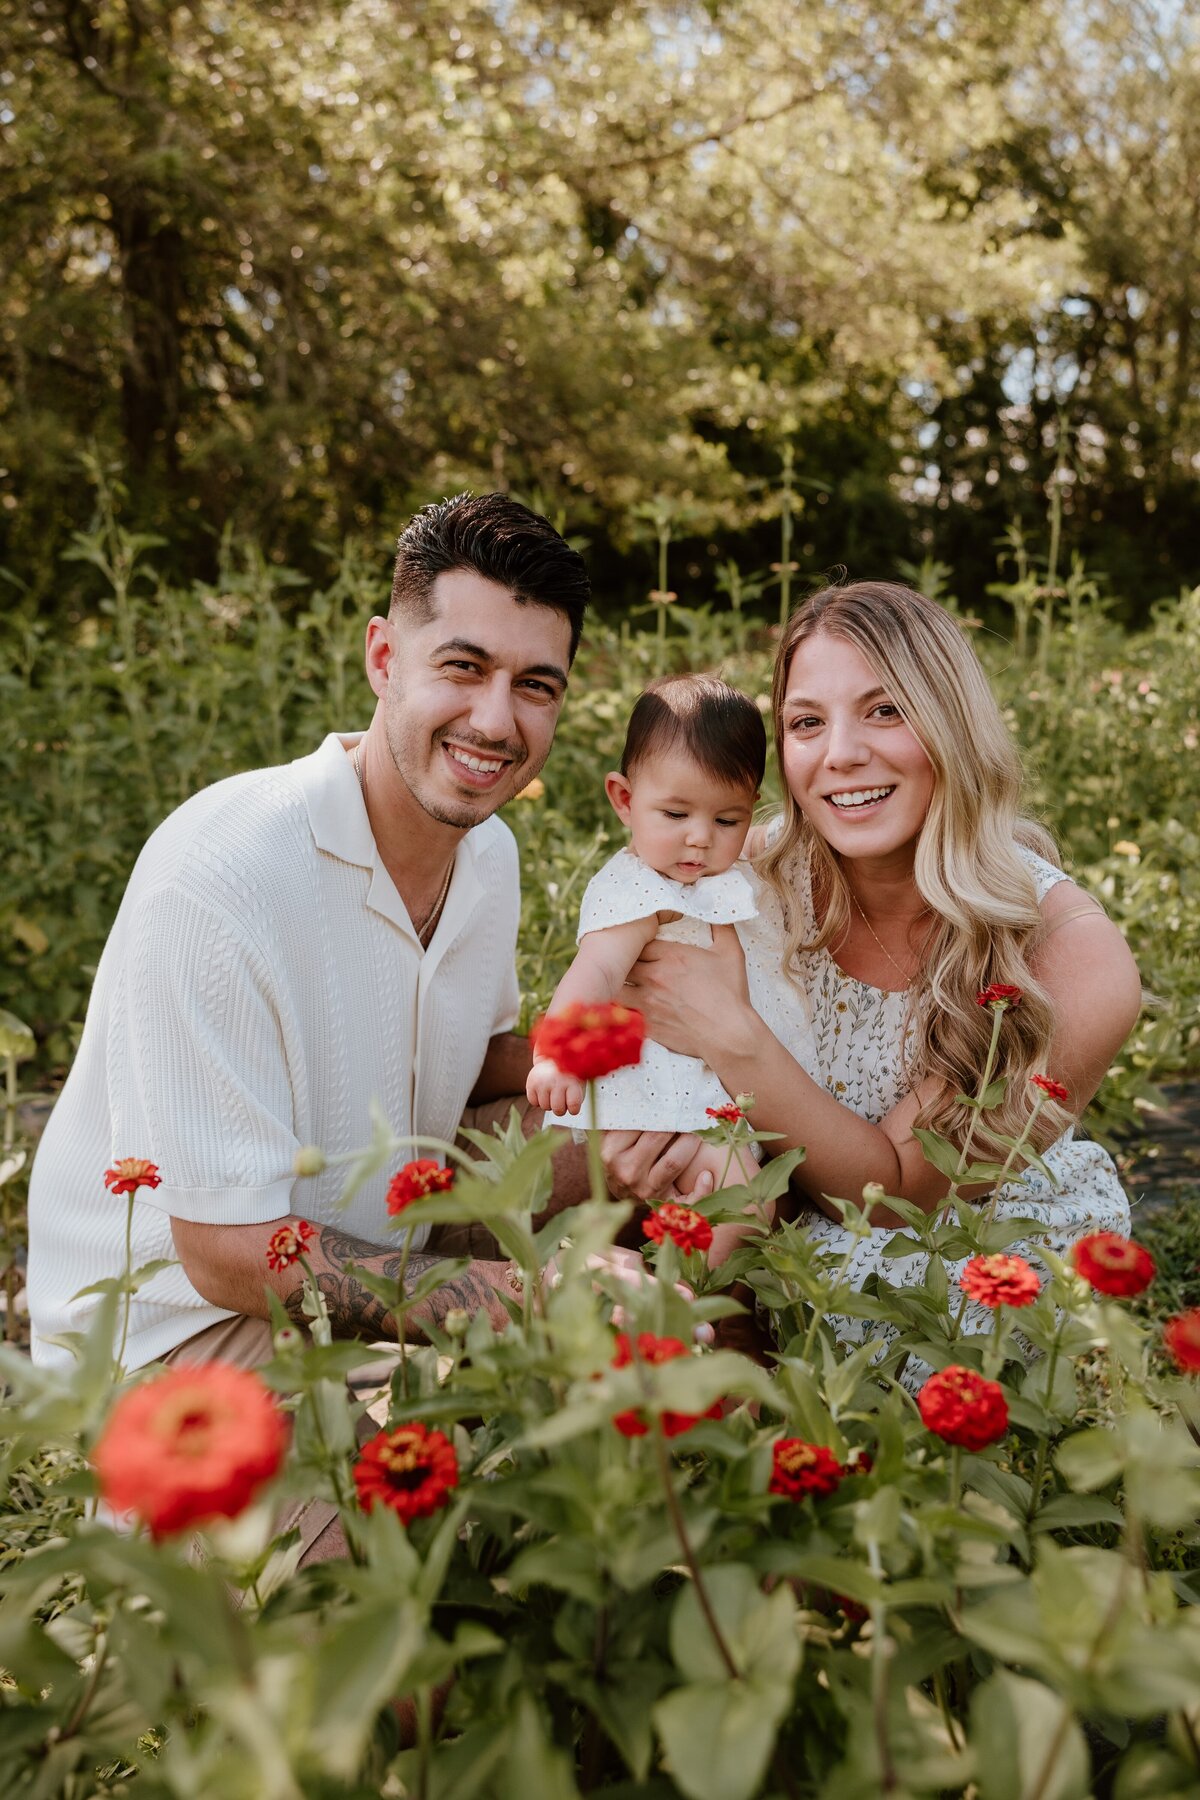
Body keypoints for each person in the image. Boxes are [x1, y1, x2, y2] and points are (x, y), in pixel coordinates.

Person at [28, 491, 594, 1390]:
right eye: (463, 666)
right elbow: (224, 1252)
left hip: (381, 1249)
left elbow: (467, 1065)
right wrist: (515, 1296)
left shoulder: (489, 855)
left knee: (637, 1132)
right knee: (386, 1522)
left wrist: (632, 1063)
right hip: (185, 1332)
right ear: (383, 658)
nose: (496, 721)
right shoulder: (222, 872)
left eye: (535, 684)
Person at [603, 580, 1141, 1343]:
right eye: (806, 722)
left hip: (946, 1258)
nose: (841, 755)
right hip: (763, 1205)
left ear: (951, 725)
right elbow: (628, 999)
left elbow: (895, 1200)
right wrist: (654, 1123)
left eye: (885, 711)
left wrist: (732, 1037)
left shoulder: (1067, 952)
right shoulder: (739, 877)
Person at [527, 674, 788, 1262]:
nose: (700, 839)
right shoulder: (640, 890)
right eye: (675, 813)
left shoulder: (725, 878)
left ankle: (678, 1287)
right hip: (665, 1087)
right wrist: (558, 1053)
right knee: (744, 1196)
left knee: (732, 1196)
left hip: (721, 1077)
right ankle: (683, 1301)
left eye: (728, 821)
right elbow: (593, 972)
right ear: (623, 799)